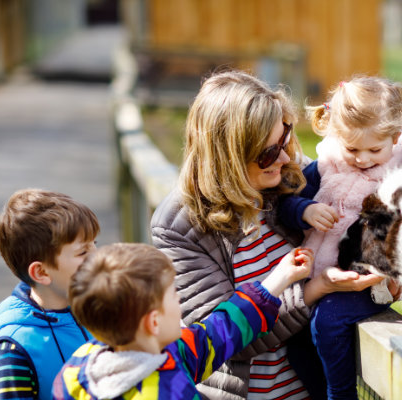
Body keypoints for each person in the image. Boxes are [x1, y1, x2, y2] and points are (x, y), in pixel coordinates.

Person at [150, 69, 385, 400]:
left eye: (285, 138)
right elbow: (225, 339)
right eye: (269, 152)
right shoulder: (179, 227)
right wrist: (315, 288)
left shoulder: (289, 178)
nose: (287, 157)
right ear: (228, 155)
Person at [279, 76, 402, 399]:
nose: (362, 159)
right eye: (352, 149)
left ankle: (342, 394)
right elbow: (285, 204)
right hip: (323, 274)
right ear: (337, 136)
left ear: (394, 137)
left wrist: (396, 272)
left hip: (370, 281)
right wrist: (304, 210)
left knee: (328, 321)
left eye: (374, 149)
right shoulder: (327, 166)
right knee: (296, 342)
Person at [51, 242, 312, 399]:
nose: (179, 300)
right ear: (153, 322)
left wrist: (278, 280)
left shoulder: (77, 368)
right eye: (173, 294)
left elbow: (215, 335)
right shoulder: (166, 389)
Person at [0, 189, 100, 400]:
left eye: (96, 244)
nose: (98, 256)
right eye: (83, 252)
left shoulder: (103, 312)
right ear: (41, 272)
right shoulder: (13, 352)